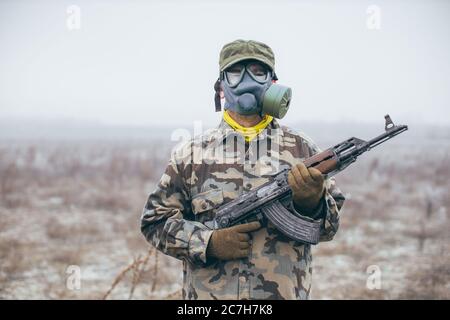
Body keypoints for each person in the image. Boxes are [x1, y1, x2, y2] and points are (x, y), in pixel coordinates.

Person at [141, 39, 345, 300]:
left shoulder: (302, 150)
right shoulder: (191, 154)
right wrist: (208, 243)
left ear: (273, 83)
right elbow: (154, 223)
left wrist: (312, 204)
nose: (248, 81)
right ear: (221, 86)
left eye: (258, 72)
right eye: (236, 73)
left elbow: (327, 230)